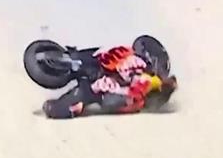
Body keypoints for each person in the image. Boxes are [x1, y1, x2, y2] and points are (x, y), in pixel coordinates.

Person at [41, 44, 176, 119]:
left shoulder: (144, 86)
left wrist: (111, 86)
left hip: (104, 89)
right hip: (106, 75)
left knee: (84, 94)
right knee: (91, 65)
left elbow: (122, 96)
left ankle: (68, 107)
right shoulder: (145, 79)